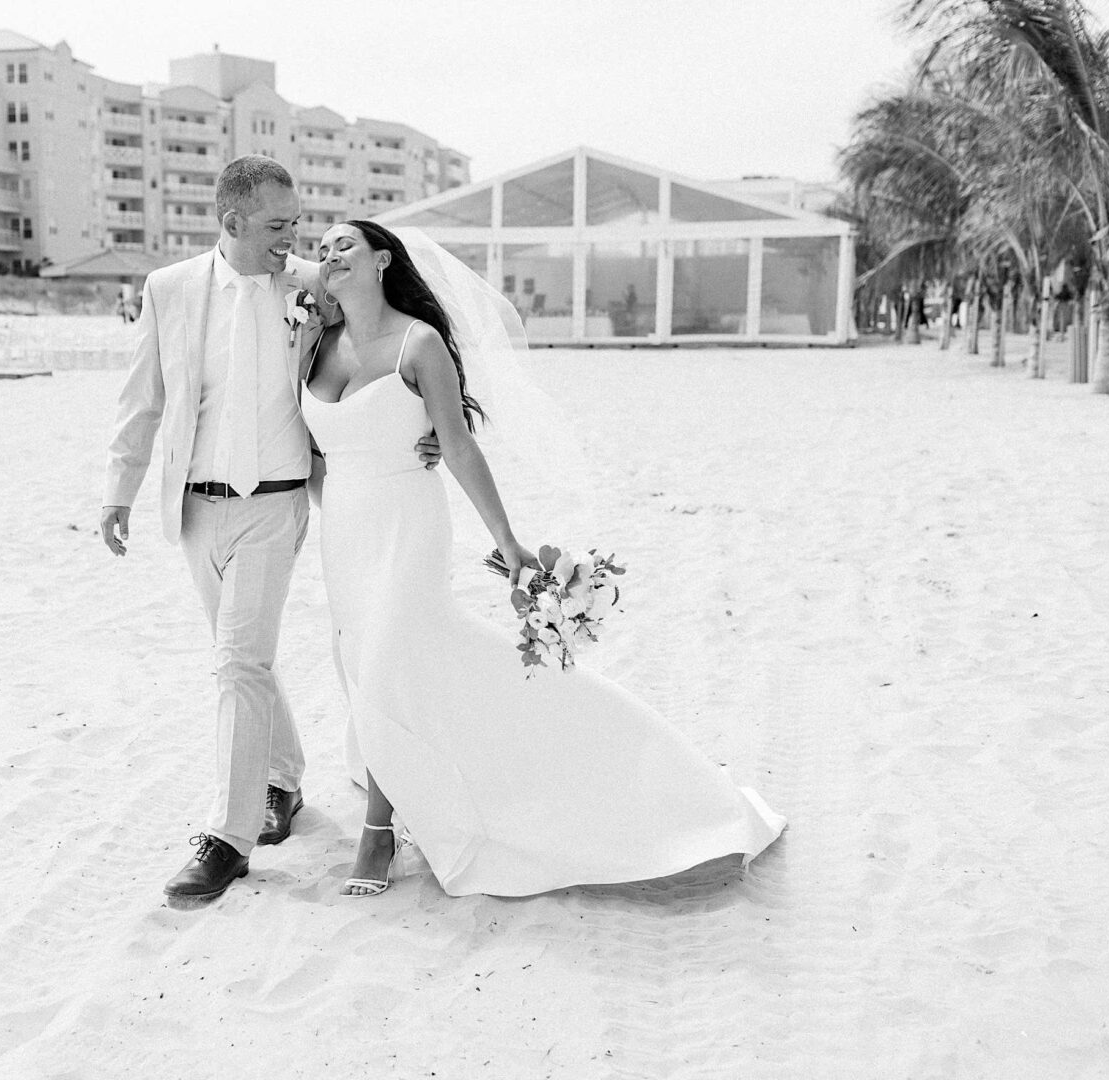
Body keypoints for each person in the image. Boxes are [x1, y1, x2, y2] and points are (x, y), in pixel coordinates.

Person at [302, 220, 786, 897]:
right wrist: (337, 506)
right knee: (373, 670)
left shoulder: (420, 341)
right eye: (321, 249)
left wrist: (509, 545)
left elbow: (461, 447)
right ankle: (412, 793)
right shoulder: (315, 343)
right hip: (344, 539)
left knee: (385, 667)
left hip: (408, 527)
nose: (328, 255)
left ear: (383, 260)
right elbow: (313, 454)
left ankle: (378, 833)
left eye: (344, 245)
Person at [99, 157, 438, 904]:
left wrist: (432, 422)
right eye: (280, 225)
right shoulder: (171, 289)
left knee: (236, 664)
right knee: (241, 657)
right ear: (233, 222)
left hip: (277, 503)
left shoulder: (314, 289)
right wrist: (118, 489)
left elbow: (396, 334)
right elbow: (143, 399)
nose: (299, 239)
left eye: (298, 223)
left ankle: (227, 836)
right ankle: (281, 781)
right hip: (195, 506)